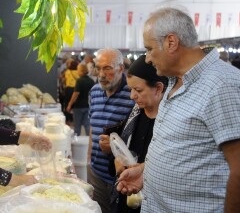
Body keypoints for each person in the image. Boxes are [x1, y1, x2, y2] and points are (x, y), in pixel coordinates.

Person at [117, 7, 240, 213]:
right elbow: (185, 148)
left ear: (171, 42)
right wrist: (146, 172)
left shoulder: (224, 84)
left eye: (149, 49)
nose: (147, 58)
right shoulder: (175, 81)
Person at [99, 55, 167, 213]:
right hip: (126, 196)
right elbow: (123, 148)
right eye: (131, 90)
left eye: (138, 90)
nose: (132, 96)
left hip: (154, 202)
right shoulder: (135, 113)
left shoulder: (169, 122)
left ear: (158, 88)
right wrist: (117, 160)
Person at [88, 48, 135, 213]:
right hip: (96, 173)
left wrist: (115, 149)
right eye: (98, 68)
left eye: (107, 68)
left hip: (122, 177)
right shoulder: (94, 92)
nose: (101, 74)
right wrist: (88, 161)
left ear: (120, 69)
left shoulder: (133, 95)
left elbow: (141, 138)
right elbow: (93, 129)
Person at [66, 63, 95, 136]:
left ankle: (77, 142)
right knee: (88, 126)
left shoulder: (79, 81)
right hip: (88, 106)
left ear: (81, 71)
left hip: (78, 107)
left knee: (77, 126)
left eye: (78, 70)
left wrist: (69, 104)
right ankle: (90, 142)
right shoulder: (91, 81)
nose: (77, 71)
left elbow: (76, 94)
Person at [63, 58, 79, 125]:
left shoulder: (67, 72)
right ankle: (74, 120)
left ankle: (68, 120)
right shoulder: (78, 72)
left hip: (68, 89)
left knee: (67, 104)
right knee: (75, 105)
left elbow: (65, 79)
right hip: (76, 89)